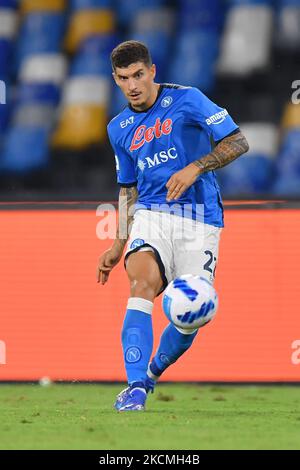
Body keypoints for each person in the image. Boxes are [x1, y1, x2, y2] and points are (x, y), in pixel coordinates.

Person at [96, 40, 249, 411]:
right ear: (115, 79)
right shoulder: (118, 128)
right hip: (153, 214)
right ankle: (133, 389)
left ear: (152, 72)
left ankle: (149, 376)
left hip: (201, 218)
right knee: (141, 284)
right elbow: (128, 188)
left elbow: (238, 141)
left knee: (191, 317)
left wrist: (197, 166)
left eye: (138, 75)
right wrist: (119, 242)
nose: (132, 85)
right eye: (123, 78)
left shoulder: (189, 99)